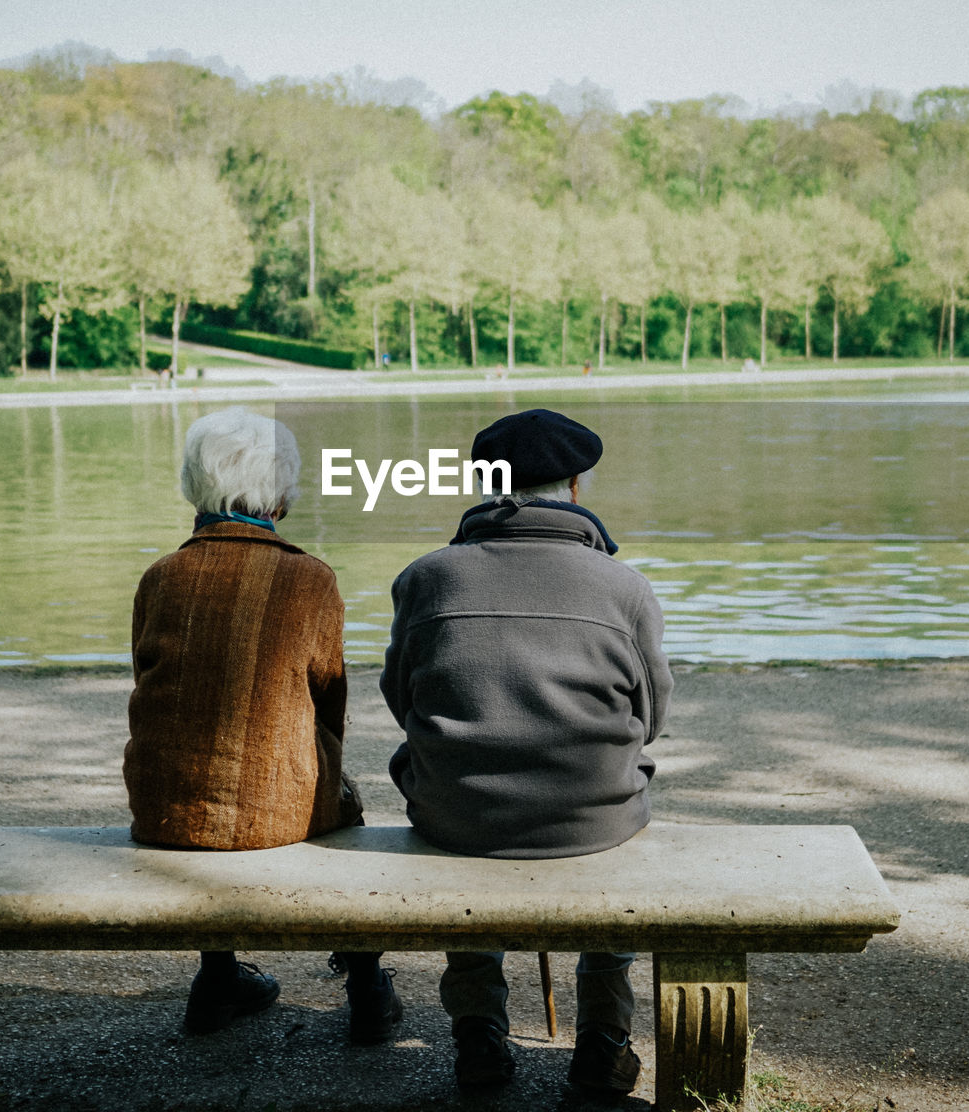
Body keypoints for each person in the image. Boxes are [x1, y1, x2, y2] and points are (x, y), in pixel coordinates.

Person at [379, 408, 674, 1097]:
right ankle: (603, 1042)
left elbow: (404, 701)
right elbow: (652, 717)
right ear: (576, 487)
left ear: (485, 484)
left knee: (452, 797)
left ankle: (477, 1033)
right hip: (592, 817)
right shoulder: (624, 587)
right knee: (620, 800)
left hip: (459, 815)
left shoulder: (424, 578)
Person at [124, 407, 401, 1043]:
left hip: (162, 806)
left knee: (208, 766)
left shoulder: (160, 577)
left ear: (195, 484)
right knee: (340, 798)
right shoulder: (309, 578)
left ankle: (217, 978)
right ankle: (365, 986)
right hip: (272, 817)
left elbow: (148, 683)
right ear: (281, 488)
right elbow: (329, 706)